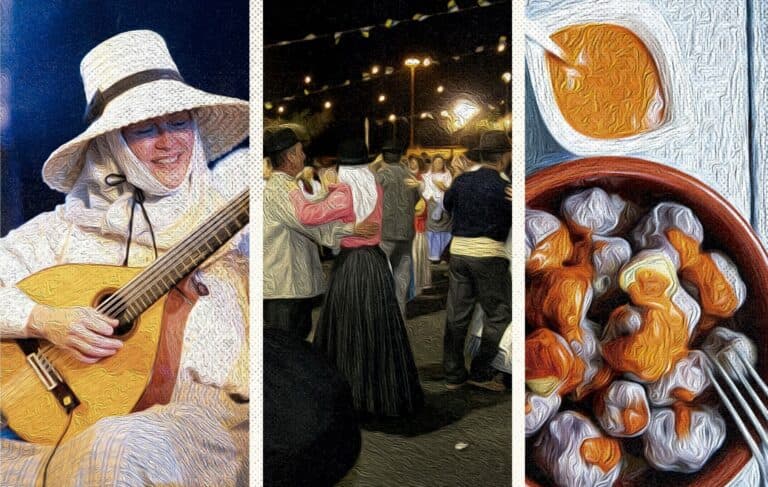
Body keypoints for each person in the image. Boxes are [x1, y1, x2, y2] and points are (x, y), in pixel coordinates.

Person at [0, 30, 249, 485]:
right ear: (111, 142)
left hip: (198, 424)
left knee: (116, 449)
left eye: (179, 123)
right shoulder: (63, 229)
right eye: (145, 129)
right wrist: (41, 319)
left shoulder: (236, 228)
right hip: (57, 427)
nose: (168, 143)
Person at [290, 139, 423, 418]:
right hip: (374, 261)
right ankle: (379, 394)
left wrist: (297, 190)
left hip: (352, 264)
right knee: (377, 328)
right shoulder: (372, 186)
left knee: (348, 327)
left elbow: (307, 215)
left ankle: (350, 396)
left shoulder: (344, 192)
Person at [262, 127, 376, 340]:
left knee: (295, 343)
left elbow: (310, 207)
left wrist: (327, 192)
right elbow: (306, 222)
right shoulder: (280, 189)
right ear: (290, 157)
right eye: (300, 151)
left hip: (290, 285)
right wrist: (352, 229)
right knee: (288, 348)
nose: (304, 156)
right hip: (284, 287)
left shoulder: (286, 186)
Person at [442, 130, 512, 392]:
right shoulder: (505, 188)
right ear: (503, 158)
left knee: (456, 315)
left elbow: (448, 206)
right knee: (498, 314)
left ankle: (452, 374)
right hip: (488, 255)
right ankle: (481, 371)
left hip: (459, 252)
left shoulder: (461, 182)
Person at [372, 140, 420, 316]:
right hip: (406, 231)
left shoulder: (381, 176)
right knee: (402, 275)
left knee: (382, 274)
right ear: (400, 156)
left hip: (385, 231)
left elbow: (371, 201)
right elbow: (415, 199)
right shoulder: (409, 176)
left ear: (383, 157)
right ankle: (399, 312)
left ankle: (382, 314)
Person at [423, 153, 453, 262]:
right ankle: (432, 255)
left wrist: (442, 188)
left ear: (443, 164)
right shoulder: (427, 176)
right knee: (432, 230)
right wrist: (430, 196)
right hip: (431, 204)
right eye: (436, 162)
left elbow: (449, 190)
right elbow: (424, 190)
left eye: (440, 162)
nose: (438, 164)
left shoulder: (447, 175)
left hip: (444, 205)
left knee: (444, 229)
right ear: (432, 163)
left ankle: (441, 254)